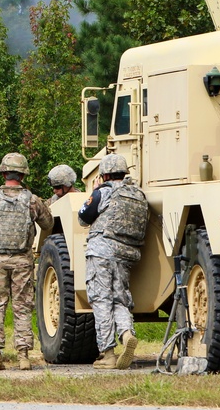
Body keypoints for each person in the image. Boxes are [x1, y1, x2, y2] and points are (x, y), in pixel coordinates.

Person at [0, 152, 53, 371]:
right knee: (22, 307)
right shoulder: (32, 200)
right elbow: (48, 224)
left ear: (3, 172)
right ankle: (24, 356)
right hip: (22, 261)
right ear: (23, 174)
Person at [78, 153, 149, 370]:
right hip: (126, 255)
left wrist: (96, 191)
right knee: (120, 300)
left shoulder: (104, 192)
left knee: (101, 300)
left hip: (101, 251)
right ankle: (127, 334)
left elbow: (83, 217)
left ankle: (107, 353)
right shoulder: (138, 194)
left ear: (105, 174)